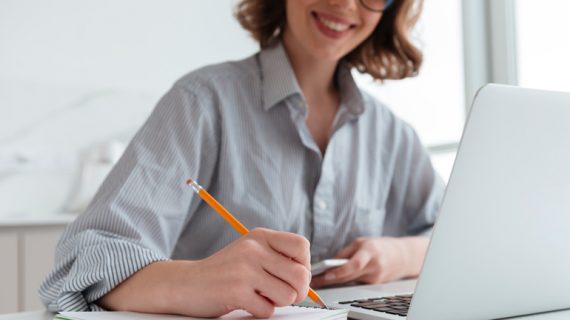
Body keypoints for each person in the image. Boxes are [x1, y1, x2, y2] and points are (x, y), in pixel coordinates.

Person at [40, 0, 444, 318]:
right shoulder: (202, 100)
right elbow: (84, 260)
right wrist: (196, 281)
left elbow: (452, 238)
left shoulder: (393, 134)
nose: (344, 4)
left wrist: (397, 255)